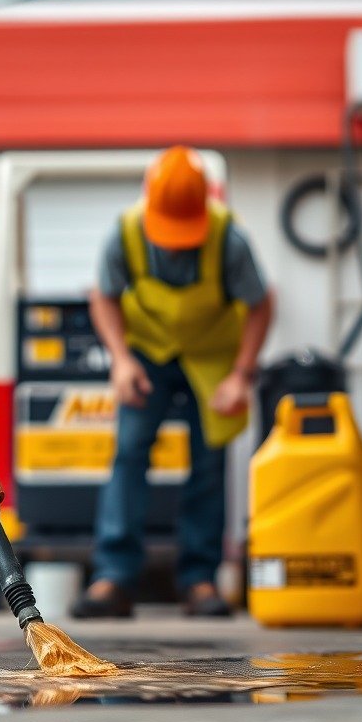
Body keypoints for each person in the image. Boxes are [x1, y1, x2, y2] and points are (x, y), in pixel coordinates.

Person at [71, 146, 274, 618]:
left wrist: (242, 374)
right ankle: (114, 578)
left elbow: (260, 305)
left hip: (212, 355)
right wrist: (120, 360)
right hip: (147, 353)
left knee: (209, 459)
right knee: (129, 451)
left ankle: (200, 580)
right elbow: (104, 298)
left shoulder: (229, 240)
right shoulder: (124, 234)